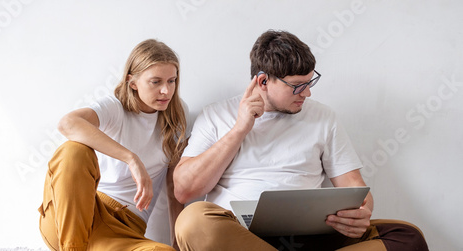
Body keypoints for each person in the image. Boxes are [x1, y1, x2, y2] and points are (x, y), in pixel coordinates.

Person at [173, 30, 429, 251]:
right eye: (297, 86)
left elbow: (354, 186)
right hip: (240, 236)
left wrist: (362, 212)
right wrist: (240, 129)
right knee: (191, 222)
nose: (306, 93)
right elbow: (185, 190)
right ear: (263, 81)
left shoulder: (323, 117)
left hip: (312, 236)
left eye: (309, 82)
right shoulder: (217, 115)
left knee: (407, 237)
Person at [38, 39, 188, 251]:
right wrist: (131, 158)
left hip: (122, 232)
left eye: (171, 81)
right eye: (156, 82)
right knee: (74, 150)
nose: (166, 90)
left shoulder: (176, 118)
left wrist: (177, 242)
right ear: (132, 82)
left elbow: (174, 186)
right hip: (74, 217)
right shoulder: (114, 108)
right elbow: (68, 123)